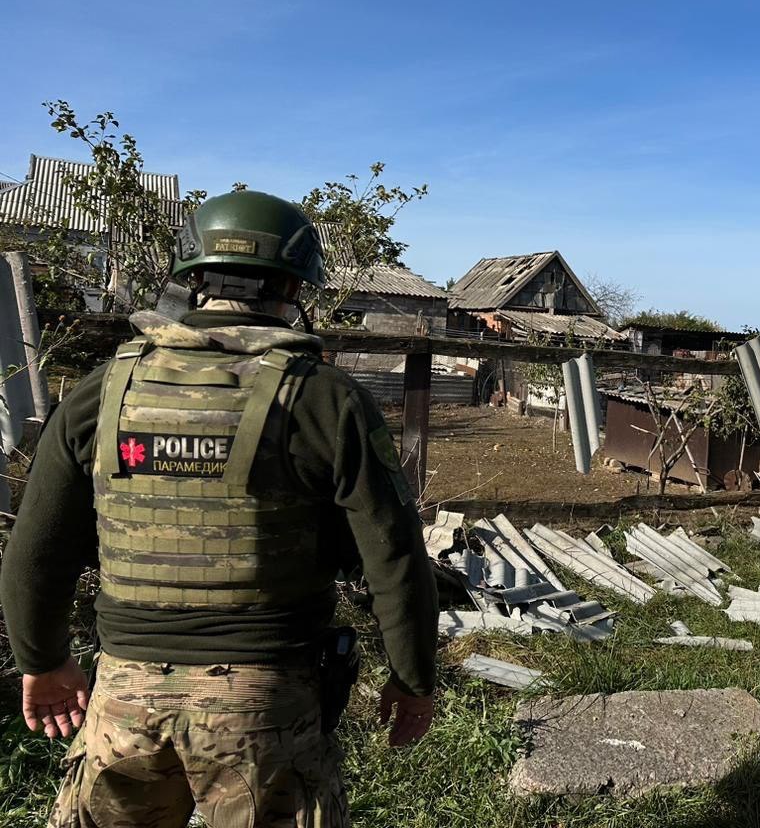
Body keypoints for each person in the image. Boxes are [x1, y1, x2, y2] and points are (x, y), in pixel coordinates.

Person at [0, 190, 439, 827]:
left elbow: (36, 552)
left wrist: (42, 662)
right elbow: (393, 556)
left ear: (192, 277)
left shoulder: (103, 390)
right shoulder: (325, 399)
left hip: (124, 701)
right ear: (295, 285)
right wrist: (412, 677)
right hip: (266, 704)